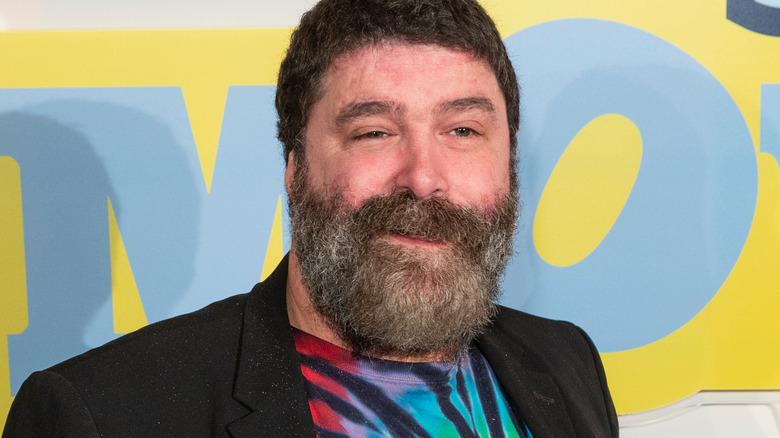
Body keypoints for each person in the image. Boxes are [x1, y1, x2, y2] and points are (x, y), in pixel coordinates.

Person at [3, 0, 618, 436]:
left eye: (463, 130)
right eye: (374, 131)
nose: (425, 176)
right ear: (295, 166)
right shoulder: (101, 415)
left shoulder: (564, 362)